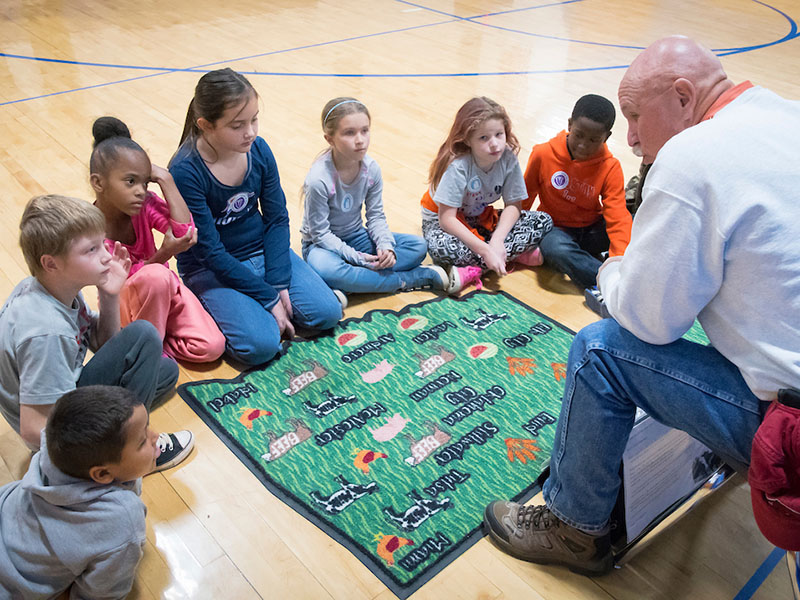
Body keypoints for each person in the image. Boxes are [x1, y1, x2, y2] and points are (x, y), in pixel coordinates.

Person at [483, 36, 800, 576]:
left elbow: (649, 319)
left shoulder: (692, 155)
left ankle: (574, 524)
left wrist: (612, 271)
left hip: (791, 431)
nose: (629, 139)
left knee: (599, 349)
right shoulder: (784, 112)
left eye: (632, 116)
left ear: (682, 97)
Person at [0, 194, 193, 471]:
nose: (106, 255)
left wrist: (109, 294)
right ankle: (128, 451)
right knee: (144, 335)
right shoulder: (47, 333)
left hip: (67, 396)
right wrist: (89, 459)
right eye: (91, 250)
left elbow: (104, 344)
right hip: (60, 426)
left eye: (101, 243)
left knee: (165, 371)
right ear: (51, 263)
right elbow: (34, 429)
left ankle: (121, 430)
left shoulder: (51, 289)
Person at [169, 68, 342, 366]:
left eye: (254, 119)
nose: (250, 131)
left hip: (261, 251)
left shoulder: (259, 150)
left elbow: (276, 219)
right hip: (210, 268)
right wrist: (269, 297)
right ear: (205, 125)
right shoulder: (185, 170)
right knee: (260, 346)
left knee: (327, 313)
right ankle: (207, 306)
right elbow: (209, 252)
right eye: (237, 125)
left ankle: (262, 306)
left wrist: (277, 282)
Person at [90, 116, 225, 363]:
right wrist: (164, 254)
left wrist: (166, 179)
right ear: (98, 183)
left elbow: (185, 232)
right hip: (124, 304)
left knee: (211, 346)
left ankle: (146, 344)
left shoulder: (145, 203)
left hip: (161, 292)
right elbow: (120, 282)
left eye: (144, 181)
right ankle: (148, 352)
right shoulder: (89, 229)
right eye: (130, 182)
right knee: (157, 275)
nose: (140, 190)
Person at [0, 386, 157, 597]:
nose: (155, 435)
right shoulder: (120, 521)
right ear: (101, 474)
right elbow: (100, 594)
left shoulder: (54, 452)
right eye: (142, 441)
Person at [301, 97, 448, 305]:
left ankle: (355, 283)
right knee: (327, 268)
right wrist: (356, 258)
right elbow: (320, 234)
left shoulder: (371, 169)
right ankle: (410, 279)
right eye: (349, 133)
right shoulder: (319, 179)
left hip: (356, 237)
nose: (360, 139)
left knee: (419, 246)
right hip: (322, 247)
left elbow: (376, 216)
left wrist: (385, 247)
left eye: (365, 130)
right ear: (329, 139)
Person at [420, 97, 552, 293]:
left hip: (480, 218)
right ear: (467, 140)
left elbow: (514, 204)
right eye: (484, 138)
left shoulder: (507, 157)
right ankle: (505, 256)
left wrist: (497, 241)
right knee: (440, 248)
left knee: (543, 220)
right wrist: (485, 250)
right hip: (445, 224)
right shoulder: (458, 166)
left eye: (499, 134)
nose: (494, 144)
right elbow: (447, 219)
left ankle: (477, 267)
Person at [522, 94, 631, 290]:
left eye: (593, 140)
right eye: (579, 135)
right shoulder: (543, 154)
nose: (583, 145)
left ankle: (614, 272)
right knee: (556, 250)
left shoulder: (611, 167)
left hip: (591, 229)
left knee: (634, 222)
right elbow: (525, 197)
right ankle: (615, 284)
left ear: (607, 137)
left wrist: (618, 259)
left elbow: (617, 216)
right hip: (554, 229)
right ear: (570, 125)